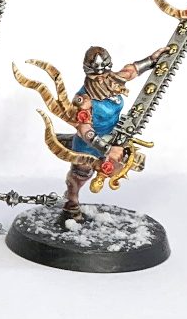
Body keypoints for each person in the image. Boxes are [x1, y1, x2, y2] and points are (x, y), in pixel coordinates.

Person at [63, 45, 169, 223]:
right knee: (80, 176)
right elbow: (84, 130)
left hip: (114, 137)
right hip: (88, 146)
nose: (101, 77)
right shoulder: (84, 100)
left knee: (132, 163)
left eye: (104, 72)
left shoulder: (113, 80)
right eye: (95, 74)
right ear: (87, 71)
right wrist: (107, 149)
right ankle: (70, 203)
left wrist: (152, 59)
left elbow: (131, 71)